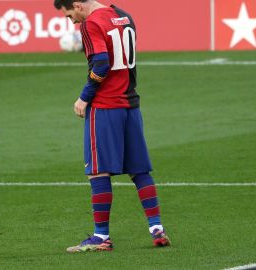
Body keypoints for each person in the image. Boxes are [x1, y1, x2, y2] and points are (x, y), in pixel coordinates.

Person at [53, 0, 170, 252]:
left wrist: (85, 96)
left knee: (97, 171)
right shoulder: (123, 15)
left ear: (77, 5)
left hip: (105, 108)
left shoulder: (91, 23)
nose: (72, 21)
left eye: (70, 15)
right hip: (131, 105)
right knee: (140, 171)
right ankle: (156, 228)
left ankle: (101, 237)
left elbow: (102, 64)